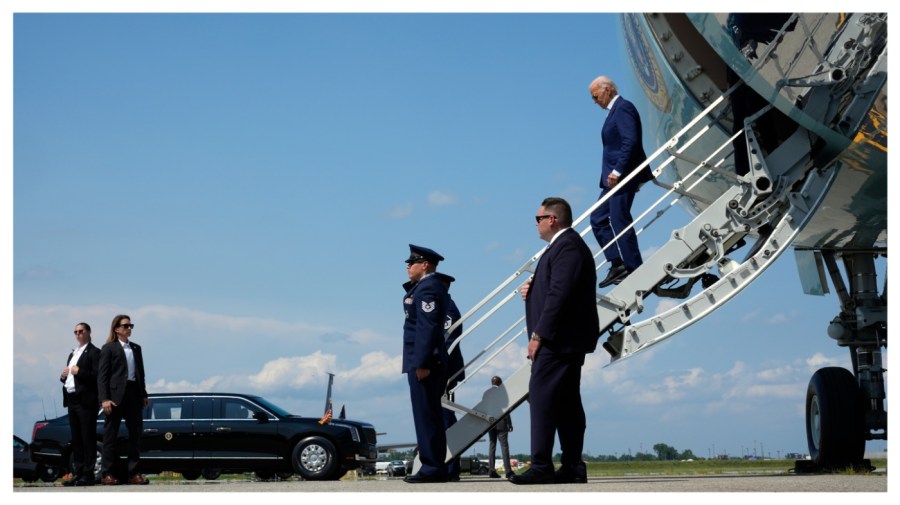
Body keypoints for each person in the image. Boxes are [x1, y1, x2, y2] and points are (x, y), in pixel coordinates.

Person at [512, 197, 600, 485]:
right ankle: (572, 466)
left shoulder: (568, 246)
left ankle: (541, 465)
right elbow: (556, 287)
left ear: (553, 220)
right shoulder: (561, 248)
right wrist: (533, 287)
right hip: (564, 339)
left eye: (538, 218)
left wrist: (539, 334)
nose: (535, 224)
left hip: (558, 340)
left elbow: (560, 293)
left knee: (542, 397)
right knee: (566, 402)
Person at [588, 76, 653, 288]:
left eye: (595, 96)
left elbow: (630, 140)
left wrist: (617, 170)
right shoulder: (613, 113)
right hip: (613, 179)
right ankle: (617, 263)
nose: (594, 101)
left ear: (607, 90)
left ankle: (633, 267)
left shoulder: (623, 108)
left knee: (619, 219)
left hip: (622, 176)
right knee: (598, 218)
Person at [401, 245, 451, 483]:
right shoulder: (424, 287)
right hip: (422, 361)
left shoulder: (429, 287)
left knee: (427, 416)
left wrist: (421, 362)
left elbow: (427, 327)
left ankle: (432, 467)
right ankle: (434, 466)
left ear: (425, 265)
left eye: (413, 262)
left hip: (425, 363)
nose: (408, 266)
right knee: (427, 416)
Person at [97, 314, 150, 485]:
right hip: (115, 397)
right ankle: (107, 474)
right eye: (126, 326)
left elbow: (140, 374)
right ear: (117, 329)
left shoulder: (136, 348)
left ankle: (134, 473)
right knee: (110, 436)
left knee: (135, 435)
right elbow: (102, 376)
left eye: (130, 325)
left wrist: (143, 394)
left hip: (134, 395)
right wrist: (104, 398)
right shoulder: (108, 348)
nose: (129, 328)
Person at [59, 322, 101, 487]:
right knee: (76, 439)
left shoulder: (95, 352)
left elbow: (97, 376)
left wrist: (79, 372)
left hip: (85, 401)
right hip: (71, 400)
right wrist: (63, 376)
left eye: (81, 331)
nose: (78, 334)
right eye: (75, 331)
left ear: (89, 332)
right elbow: (69, 378)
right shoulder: (73, 354)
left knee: (87, 438)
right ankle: (78, 473)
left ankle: (88, 475)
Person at [437, 272, 465, 482]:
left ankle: (449, 467)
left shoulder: (447, 306)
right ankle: (447, 465)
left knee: (445, 419)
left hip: (444, 370)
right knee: (442, 418)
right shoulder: (445, 305)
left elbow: (447, 340)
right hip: (443, 369)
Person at [485, 376, 514, 479]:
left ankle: (491, 470)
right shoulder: (502, 393)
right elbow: (506, 409)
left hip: (489, 422)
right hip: (501, 422)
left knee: (492, 446)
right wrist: (509, 423)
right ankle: (508, 471)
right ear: (500, 382)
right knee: (504, 447)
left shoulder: (486, 393)